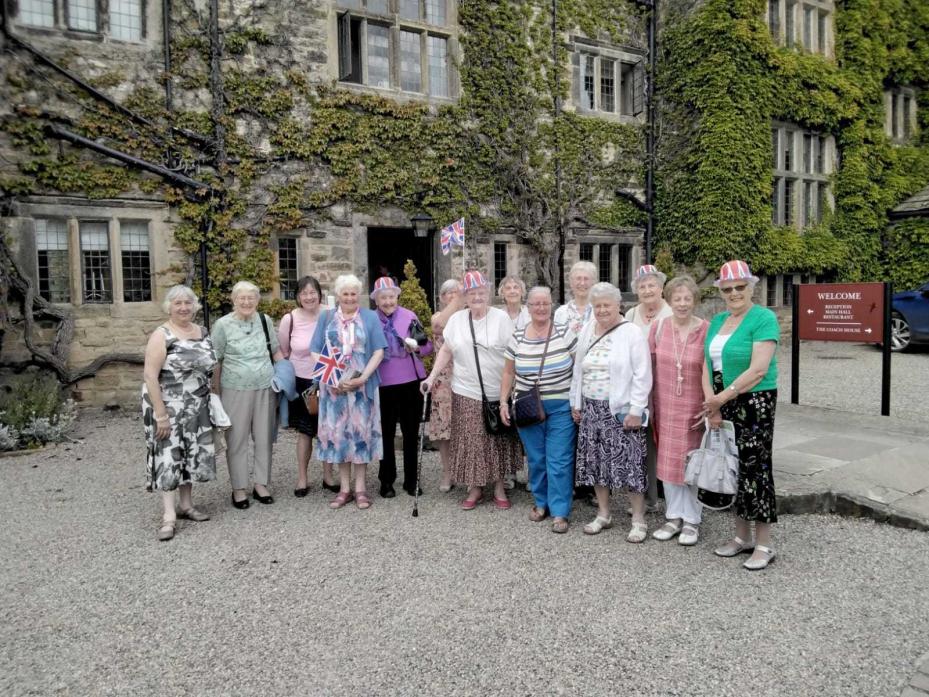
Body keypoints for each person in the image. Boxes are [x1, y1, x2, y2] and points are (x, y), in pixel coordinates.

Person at [700, 260, 780, 570]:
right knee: (733, 466)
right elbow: (705, 364)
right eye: (728, 288)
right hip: (723, 399)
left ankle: (763, 543)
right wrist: (712, 401)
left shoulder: (763, 318)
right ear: (721, 291)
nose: (734, 293)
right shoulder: (718, 319)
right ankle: (741, 537)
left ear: (751, 287)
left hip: (754, 400)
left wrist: (722, 396)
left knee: (756, 469)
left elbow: (759, 369)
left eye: (740, 287)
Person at [421, 270, 522, 510]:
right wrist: (431, 376)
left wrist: (514, 387)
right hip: (465, 389)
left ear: (488, 294)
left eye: (481, 292)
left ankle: (498, 487)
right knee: (471, 441)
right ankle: (475, 487)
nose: (477, 297)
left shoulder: (500, 318)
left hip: (496, 390)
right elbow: (446, 350)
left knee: (495, 439)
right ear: (464, 297)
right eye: (472, 293)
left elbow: (513, 353)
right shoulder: (457, 320)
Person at [570, 282, 653, 542]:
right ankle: (603, 514)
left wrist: (637, 409)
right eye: (597, 306)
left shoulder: (631, 332)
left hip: (620, 409)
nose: (602, 310)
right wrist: (576, 402)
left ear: (618, 306)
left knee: (630, 463)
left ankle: (638, 519)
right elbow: (578, 369)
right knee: (595, 463)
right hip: (591, 408)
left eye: (607, 305)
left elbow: (642, 374)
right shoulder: (587, 330)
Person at [499, 287, 578, 533]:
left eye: (545, 303)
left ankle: (560, 511)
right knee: (536, 459)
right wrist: (503, 401)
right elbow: (509, 371)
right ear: (528, 307)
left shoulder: (564, 332)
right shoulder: (518, 335)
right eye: (536, 304)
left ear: (551, 305)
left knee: (559, 459)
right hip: (527, 406)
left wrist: (578, 402)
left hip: (561, 406)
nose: (541, 308)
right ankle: (541, 503)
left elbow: (580, 368)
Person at [142, 285, 216, 541]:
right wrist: (160, 414)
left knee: (191, 454)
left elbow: (210, 369)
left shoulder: (203, 332)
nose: (183, 308)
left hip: (197, 405)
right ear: (169, 307)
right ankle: (168, 516)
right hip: (169, 406)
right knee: (169, 456)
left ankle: (186, 505)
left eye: (188, 303)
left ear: (194, 305)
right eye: (178, 304)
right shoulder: (161, 335)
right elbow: (150, 376)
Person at [310, 274, 387, 510]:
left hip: (362, 386)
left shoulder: (370, 317)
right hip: (334, 388)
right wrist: (330, 376)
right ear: (338, 296)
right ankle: (344, 488)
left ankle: (361, 488)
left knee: (361, 435)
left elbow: (378, 351)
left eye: (354, 293)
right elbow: (314, 349)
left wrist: (364, 377)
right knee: (339, 435)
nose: (350, 298)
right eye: (345, 294)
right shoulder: (326, 317)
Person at [212, 281, 283, 509]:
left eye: (251, 298)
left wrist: (286, 377)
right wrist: (215, 392)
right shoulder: (222, 325)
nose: (246, 302)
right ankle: (239, 488)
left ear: (257, 300)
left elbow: (275, 351)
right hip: (235, 388)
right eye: (241, 298)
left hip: (265, 386)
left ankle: (261, 484)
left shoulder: (265, 320)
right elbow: (216, 360)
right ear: (233, 300)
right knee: (237, 439)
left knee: (263, 437)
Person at [648, 276, 708, 545]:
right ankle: (673, 517)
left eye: (687, 298)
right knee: (668, 462)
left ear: (694, 300)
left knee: (692, 463)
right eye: (677, 298)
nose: (682, 303)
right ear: (669, 300)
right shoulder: (659, 328)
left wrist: (711, 405)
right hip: (665, 405)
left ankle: (692, 520)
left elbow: (713, 369)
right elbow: (647, 366)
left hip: (695, 406)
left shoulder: (707, 329)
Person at [371, 276, 433, 498]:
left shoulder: (409, 316)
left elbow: (427, 348)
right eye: (383, 298)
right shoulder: (370, 320)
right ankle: (386, 480)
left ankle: (411, 480)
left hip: (410, 381)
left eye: (391, 297)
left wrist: (415, 348)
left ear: (397, 296)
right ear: (376, 300)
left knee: (410, 433)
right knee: (385, 433)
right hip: (382, 384)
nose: (388, 301)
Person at [277, 275, 339, 497]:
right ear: (297, 296)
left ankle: (328, 476)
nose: (309, 296)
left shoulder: (332, 313)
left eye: (313, 292)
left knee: (328, 429)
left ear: (320, 294)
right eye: (304, 293)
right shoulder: (290, 319)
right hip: (302, 381)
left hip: (329, 378)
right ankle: (302, 478)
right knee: (305, 431)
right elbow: (284, 350)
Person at [625, 264, 673, 514]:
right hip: (639, 386)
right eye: (642, 286)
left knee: (668, 438)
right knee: (642, 441)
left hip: (666, 383)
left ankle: (674, 499)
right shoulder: (631, 314)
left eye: (651, 285)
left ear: (661, 287)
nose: (647, 290)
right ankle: (647, 496)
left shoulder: (671, 313)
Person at [554, 261, 596, 334]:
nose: (582, 283)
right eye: (578, 279)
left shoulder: (600, 311)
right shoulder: (561, 312)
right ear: (571, 283)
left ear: (593, 283)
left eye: (586, 279)